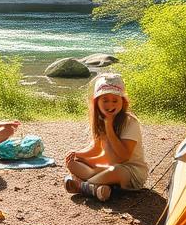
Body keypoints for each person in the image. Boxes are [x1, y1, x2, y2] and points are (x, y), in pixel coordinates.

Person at [63, 74, 147, 202]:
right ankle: (99, 188)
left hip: (129, 171)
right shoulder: (99, 120)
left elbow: (123, 157)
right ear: (97, 102)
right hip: (106, 166)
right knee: (72, 163)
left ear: (122, 102)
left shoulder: (130, 122)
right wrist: (78, 154)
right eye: (105, 100)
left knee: (116, 170)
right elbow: (96, 149)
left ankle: (83, 186)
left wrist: (109, 127)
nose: (110, 105)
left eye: (115, 100)